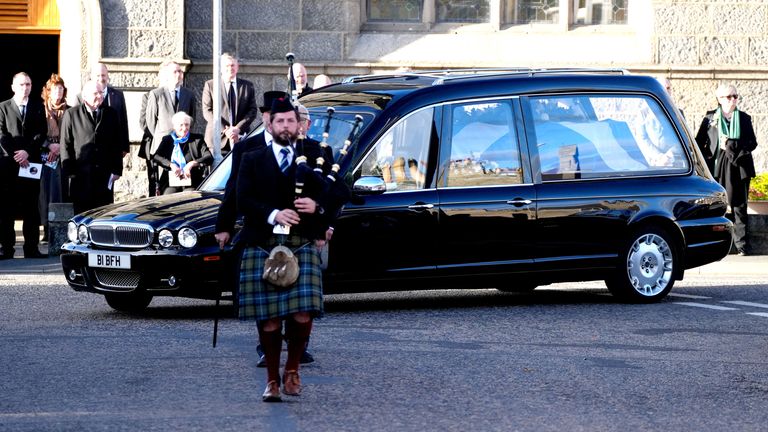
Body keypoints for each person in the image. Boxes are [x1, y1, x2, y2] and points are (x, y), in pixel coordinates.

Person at [236, 98, 341, 402]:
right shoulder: (253, 158)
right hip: (263, 242)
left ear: (299, 125)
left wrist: (318, 206)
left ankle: (292, 368)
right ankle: (271, 379)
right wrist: (274, 214)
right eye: (279, 121)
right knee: (269, 319)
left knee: (302, 315)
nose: (285, 126)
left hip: (301, 243)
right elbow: (243, 200)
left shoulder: (315, 155)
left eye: (290, 121)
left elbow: (339, 193)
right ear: (270, 124)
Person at [215, 90, 316, 367]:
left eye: (287, 118)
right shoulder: (248, 148)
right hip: (261, 231)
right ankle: (266, 346)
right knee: (267, 294)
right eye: (274, 116)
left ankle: (299, 347)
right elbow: (234, 189)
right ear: (266, 118)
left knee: (300, 296)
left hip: (298, 234)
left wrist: (321, 219)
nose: (281, 123)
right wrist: (223, 225)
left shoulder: (306, 148)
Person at [695, 84, 757, 255]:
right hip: (716, 167)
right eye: (729, 97)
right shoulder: (710, 118)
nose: (733, 100)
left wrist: (732, 146)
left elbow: (752, 142)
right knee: (717, 206)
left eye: (735, 96)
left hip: (739, 166)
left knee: (739, 206)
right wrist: (707, 159)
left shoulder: (744, 118)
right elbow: (699, 143)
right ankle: (718, 245)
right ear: (719, 99)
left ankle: (742, 246)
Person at [0, 72, 48, 259]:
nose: (25, 88)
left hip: (31, 164)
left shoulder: (37, 107)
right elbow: (2, 134)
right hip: (8, 166)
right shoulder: (3, 107)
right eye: (21, 84)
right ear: (13, 87)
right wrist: (17, 155)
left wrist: (27, 152)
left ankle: (31, 248)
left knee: (31, 207)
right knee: (6, 208)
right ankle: (7, 248)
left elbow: (40, 133)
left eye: (28, 84)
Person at [60, 80, 123, 214]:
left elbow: (117, 143)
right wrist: (69, 172)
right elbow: (65, 144)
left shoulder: (111, 113)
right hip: (80, 175)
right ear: (85, 96)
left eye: (101, 92)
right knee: (82, 215)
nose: (99, 96)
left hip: (104, 175)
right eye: (95, 93)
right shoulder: (71, 114)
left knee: (103, 214)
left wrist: (117, 170)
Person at [202, 53, 258, 157]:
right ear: (221, 68)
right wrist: (226, 129)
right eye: (227, 65)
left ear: (237, 67)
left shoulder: (247, 86)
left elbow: (252, 111)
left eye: (233, 65)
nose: (230, 68)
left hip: (240, 138)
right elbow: (207, 110)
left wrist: (238, 128)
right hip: (217, 140)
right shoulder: (210, 85)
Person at [39, 74, 70, 242]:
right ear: (48, 92)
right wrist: (48, 145)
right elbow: (36, 132)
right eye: (55, 88)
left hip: (63, 154)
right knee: (46, 193)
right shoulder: (40, 109)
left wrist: (60, 147)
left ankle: (61, 229)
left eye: (61, 88)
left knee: (62, 192)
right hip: (45, 154)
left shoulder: (70, 110)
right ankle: (46, 228)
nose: (58, 91)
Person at [152, 111, 211, 195]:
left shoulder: (197, 139)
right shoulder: (167, 140)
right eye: (181, 125)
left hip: (192, 180)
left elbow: (208, 157)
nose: (184, 128)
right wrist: (171, 165)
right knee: (168, 198)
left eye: (187, 125)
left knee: (189, 196)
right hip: (171, 181)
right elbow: (156, 157)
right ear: (174, 127)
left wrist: (193, 163)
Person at [89, 63, 130, 157]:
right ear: (91, 77)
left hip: (113, 148)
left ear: (107, 76)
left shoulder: (118, 95)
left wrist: (124, 147)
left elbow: (123, 121)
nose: (101, 78)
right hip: (91, 149)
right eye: (98, 75)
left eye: (103, 75)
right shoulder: (82, 96)